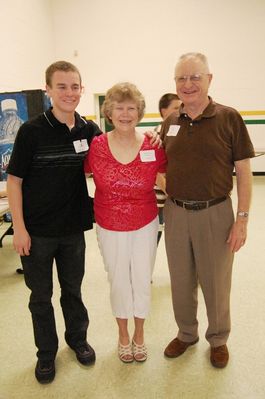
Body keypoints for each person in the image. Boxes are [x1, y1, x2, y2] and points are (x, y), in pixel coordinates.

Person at [6, 61, 101, 384]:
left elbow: (116, 151)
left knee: (72, 291)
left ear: (81, 90)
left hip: (73, 230)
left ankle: (77, 340)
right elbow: (15, 181)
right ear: (47, 90)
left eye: (75, 86)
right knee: (40, 297)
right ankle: (46, 354)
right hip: (36, 233)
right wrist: (18, 227)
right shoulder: (31, 131)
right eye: (61, 86)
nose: (69, 93)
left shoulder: (88, 130)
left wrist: (152, 144)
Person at [160, 52, 255, 368]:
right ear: (175, 83)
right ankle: (186, 333)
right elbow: (161, 164)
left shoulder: (229, 118)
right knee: (180, 279)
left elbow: (243, 171)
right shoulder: (170, 122)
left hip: (215, 212)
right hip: (175, 212)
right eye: (181, 78)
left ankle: (219, 338)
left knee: (216, 280)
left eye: (195, 77)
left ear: (209, 80)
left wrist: (242, 219)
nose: (188, 84)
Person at [84, 82, 167, 363]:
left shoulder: (152, 145)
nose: (125, 113)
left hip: (145, 221)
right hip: (108, 223)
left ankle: (140, 334)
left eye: (131, 108)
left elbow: (168, 177)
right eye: (119, 107)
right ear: (109, 112)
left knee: (142, 278)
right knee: (118, 279)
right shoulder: (95, 146)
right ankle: (122, 334)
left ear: (139, 112)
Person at [154, 93, 181, 245]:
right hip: (159, 201)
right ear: (164, 111)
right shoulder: (158, 133)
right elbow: (155, 172)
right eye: (176, 107)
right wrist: (171, 194)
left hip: (171, 202)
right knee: (151, 244)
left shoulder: (177, 130)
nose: (180, 110)